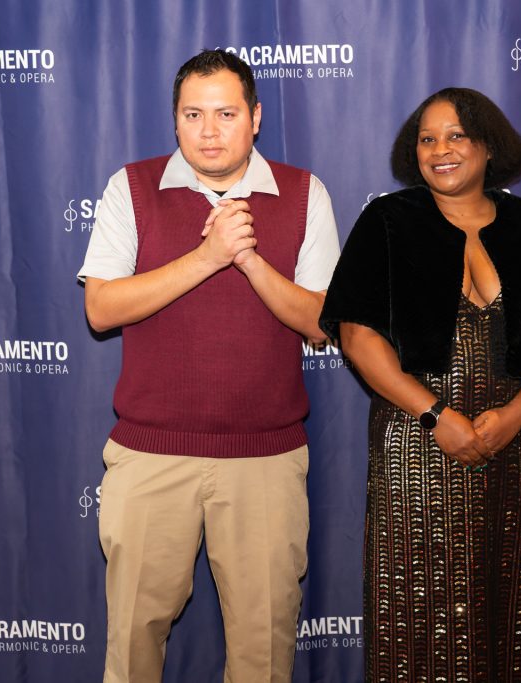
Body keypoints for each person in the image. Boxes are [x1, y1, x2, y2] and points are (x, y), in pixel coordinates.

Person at [319, 88, 521, 682]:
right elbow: (357, 335)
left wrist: (516, 415)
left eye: (456, 136)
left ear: (488, 145)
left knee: (512, 610)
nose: (440, 150)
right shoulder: (388, 222)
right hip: (415, 446)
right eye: (427, 139)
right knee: (418, 615)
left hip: (513, 448)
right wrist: (436, 415)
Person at [78, 49, 340, 683]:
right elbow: (101, 309)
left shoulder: (303, 193)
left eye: (226, 113)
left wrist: (248, 261)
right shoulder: (131, 187)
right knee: (132, 647)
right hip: (150, 456)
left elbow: (321, 321)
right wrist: (207, 257)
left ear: (255, 117)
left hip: (266, 460)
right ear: (175, 119)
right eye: (193, 114)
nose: (209, 131)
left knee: (263, 654)